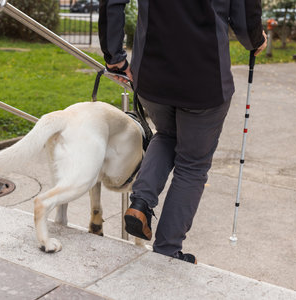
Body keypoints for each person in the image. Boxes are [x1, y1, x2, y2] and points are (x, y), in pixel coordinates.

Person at [99, 0, 267, 264]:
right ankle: (167, 248)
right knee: (192, 164)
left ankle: (141, 203)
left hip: (152, 74)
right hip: (205, 78)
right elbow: (245, 20)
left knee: (166, 134)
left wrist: (114, 57)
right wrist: (256, 40)